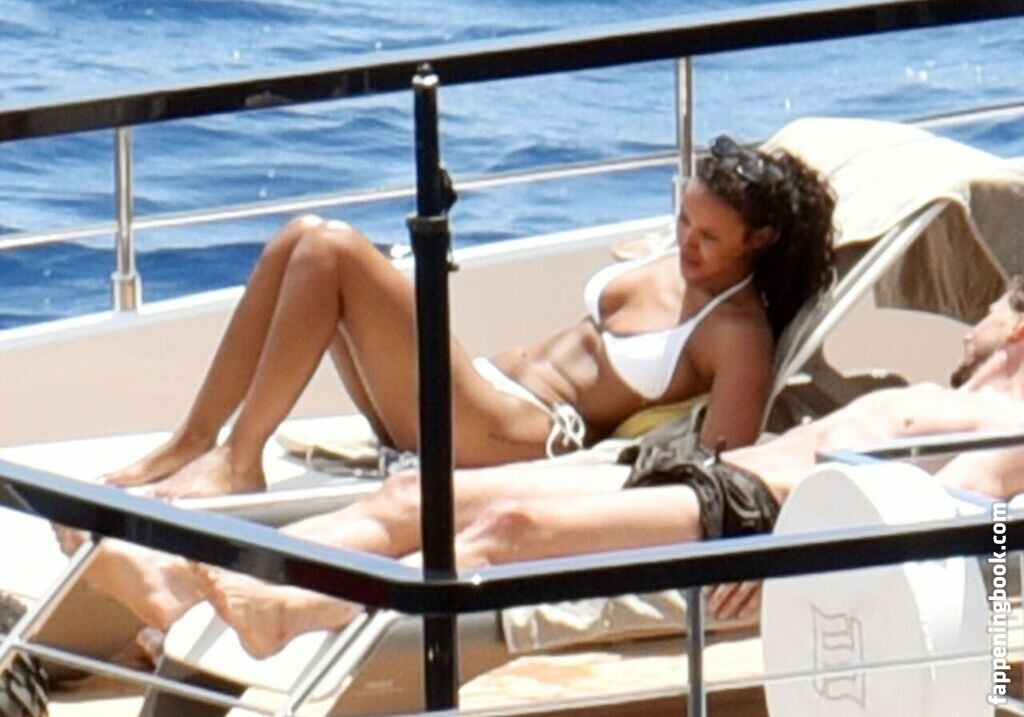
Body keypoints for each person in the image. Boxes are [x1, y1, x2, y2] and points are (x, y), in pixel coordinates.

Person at [62, 277, 1024, 659]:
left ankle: (284, 612)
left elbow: (968, 527)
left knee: (506, 534)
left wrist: (795, 556)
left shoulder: (1010, 426)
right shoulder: (945, 396)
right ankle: (184, 586)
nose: (970, 320)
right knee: (414, 496)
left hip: (756, 512)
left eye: (987, 305)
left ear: (1018, 325)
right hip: (698, 469)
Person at [103, 135, 836, 498]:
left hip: (512, 434)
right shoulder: (676, 256)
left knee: (331, 251)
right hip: (477, 398)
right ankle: (195, 439)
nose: (688, 244)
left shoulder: (737, 334)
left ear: (759, 239)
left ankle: (240, 461)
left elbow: (719, 475)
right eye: (683, 222)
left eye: (709, 237)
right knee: (301, 236)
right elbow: (655, 259)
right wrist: (666, 247)